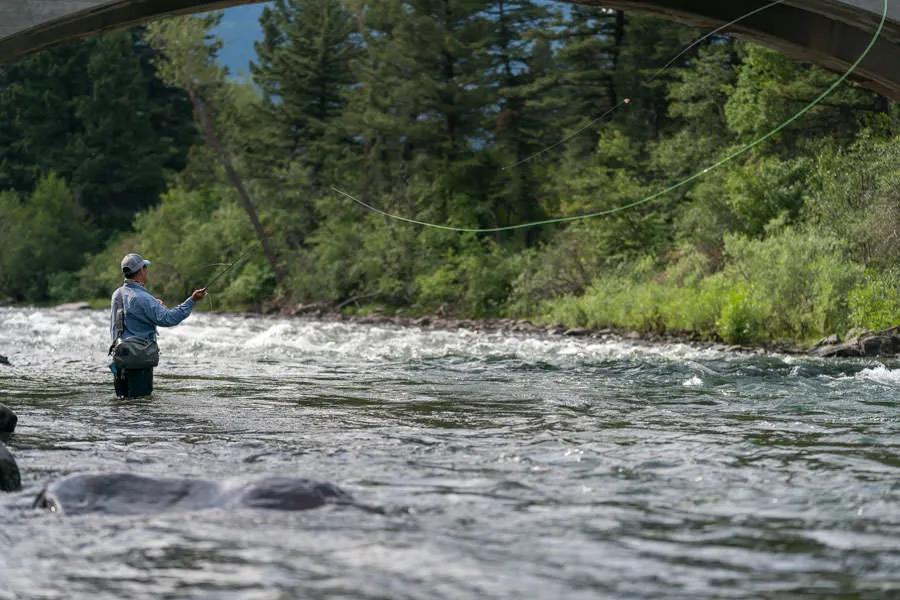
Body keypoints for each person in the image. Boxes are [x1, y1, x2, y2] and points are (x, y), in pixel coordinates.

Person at [109, 253, 207, 398]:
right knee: (141, 405)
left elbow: (128, 316)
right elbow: (168, 319)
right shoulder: (143, 298)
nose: (146, 271)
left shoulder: (117, 294)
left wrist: (153, 304)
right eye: (145, 267)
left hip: (120, 359)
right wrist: (192, 300)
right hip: (139, 359)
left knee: (123, 403)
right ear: (141, 270)